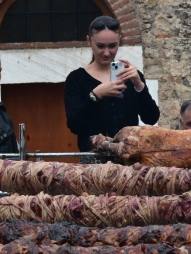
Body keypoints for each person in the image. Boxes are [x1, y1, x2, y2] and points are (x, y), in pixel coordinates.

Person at [64, 15, 160, 152]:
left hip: (127, 158)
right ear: (89, 41)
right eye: (100, 46)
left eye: (113, 46)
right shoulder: (77, 79)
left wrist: (139, 86)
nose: (107, 52)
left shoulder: (131, 76)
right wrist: (95, 96)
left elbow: (151, 118)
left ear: (119, 42)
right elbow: (74, 125)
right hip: (93, 162)